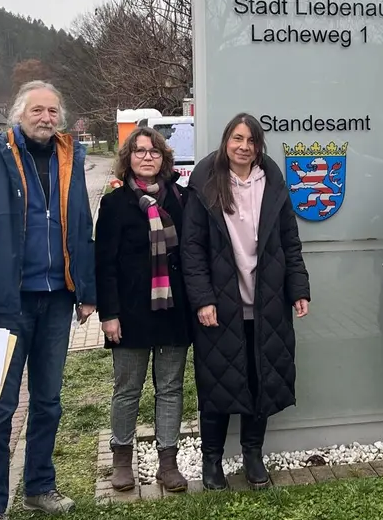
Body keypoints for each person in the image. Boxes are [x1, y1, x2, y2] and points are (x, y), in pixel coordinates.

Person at [0, 80, 97, 520]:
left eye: (53, 110)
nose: (46, 117)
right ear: (19, 114)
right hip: (4, 307)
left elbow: (81, 226)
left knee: (49, 402)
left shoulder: (69, 160)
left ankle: (38, 487)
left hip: (56, 301)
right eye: (38, 110)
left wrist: (86, 293)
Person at [182, 113, 310, 491]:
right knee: (217, 381)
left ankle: (253, 455)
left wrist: (298, 287)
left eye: (251, 140)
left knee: (262, 378)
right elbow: (192, 250)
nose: (243, 146)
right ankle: (212, 461)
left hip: (267, 301)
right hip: (221, 304)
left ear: (259, 146)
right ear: (226, 141)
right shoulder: (205, 182)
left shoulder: (272, 182)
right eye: (237, 139)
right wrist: (203, 299)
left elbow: (290, 241)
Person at [94, 127, 192, 494]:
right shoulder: (115, 204)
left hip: (173, 311)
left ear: (164, 157)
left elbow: (192, 255)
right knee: (127, 389)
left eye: (154, 151)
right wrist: (109, 314)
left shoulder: (181, 199)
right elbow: (104, 264)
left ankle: (168, 462)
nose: (147, 157)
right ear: (128, 159)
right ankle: (122, 458)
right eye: (139, 151)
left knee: (170, 388)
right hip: (130, 312)